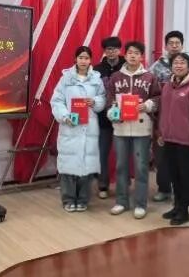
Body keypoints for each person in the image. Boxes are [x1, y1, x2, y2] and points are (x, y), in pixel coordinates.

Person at [106, 41, 161, 219]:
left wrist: (147, 105)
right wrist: (112, 113)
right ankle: (122, 201)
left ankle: (140, 204)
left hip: (141, 128)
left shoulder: (149, 77)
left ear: (141, 56)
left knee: (141, 167)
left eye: (136, 53)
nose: (132, 55)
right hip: (120, 128)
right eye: (130, 52)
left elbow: (158, 97)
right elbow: (109, 99)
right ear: (125, 54)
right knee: (121, 166)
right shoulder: (115, 77)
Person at [51, 46, 106, 212]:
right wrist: (65, 116)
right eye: (81, 57)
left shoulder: (96, 79)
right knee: (68, 165)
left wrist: (95, 102)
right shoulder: (66, 78)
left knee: (86, 165)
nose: (83, 61)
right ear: (75, 59)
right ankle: (68, 199)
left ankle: (83, 199)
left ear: (90, 60)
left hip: (89, 128)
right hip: (70, 127)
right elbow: (57, 101)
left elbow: (103, 98)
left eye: (86, 58)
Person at [149, 30, 189, 203]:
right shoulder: (156, 67)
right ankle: (164, 189)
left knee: (182, 165)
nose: (174, 46)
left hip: (184, 123)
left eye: (177, 43)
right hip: (163, 120)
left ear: (182, 45)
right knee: (162, 158)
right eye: (170, 43)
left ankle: (182, 200)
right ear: (165, 46)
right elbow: (150, 91)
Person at [157, 53, 189, 225]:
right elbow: (163, 112)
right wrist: (161, 133)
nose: (178, 65)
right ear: (171, 66)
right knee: (173, 174)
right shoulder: (167, 86)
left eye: (182, 63)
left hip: (186, 141)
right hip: (169, 139)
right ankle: (176, 206)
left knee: (185, 176)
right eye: (175, 63)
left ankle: (184, 210)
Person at [93, 36, 126, 199]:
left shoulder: (127, 66)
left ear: (120, 50)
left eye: (114, 49)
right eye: (108, 49)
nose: (111, 52)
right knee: (102, 153)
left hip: (124, 118)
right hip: (103, 119)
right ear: (104, 51)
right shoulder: (97, 69)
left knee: (123, 154)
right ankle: (103, 185)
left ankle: (123, 185)